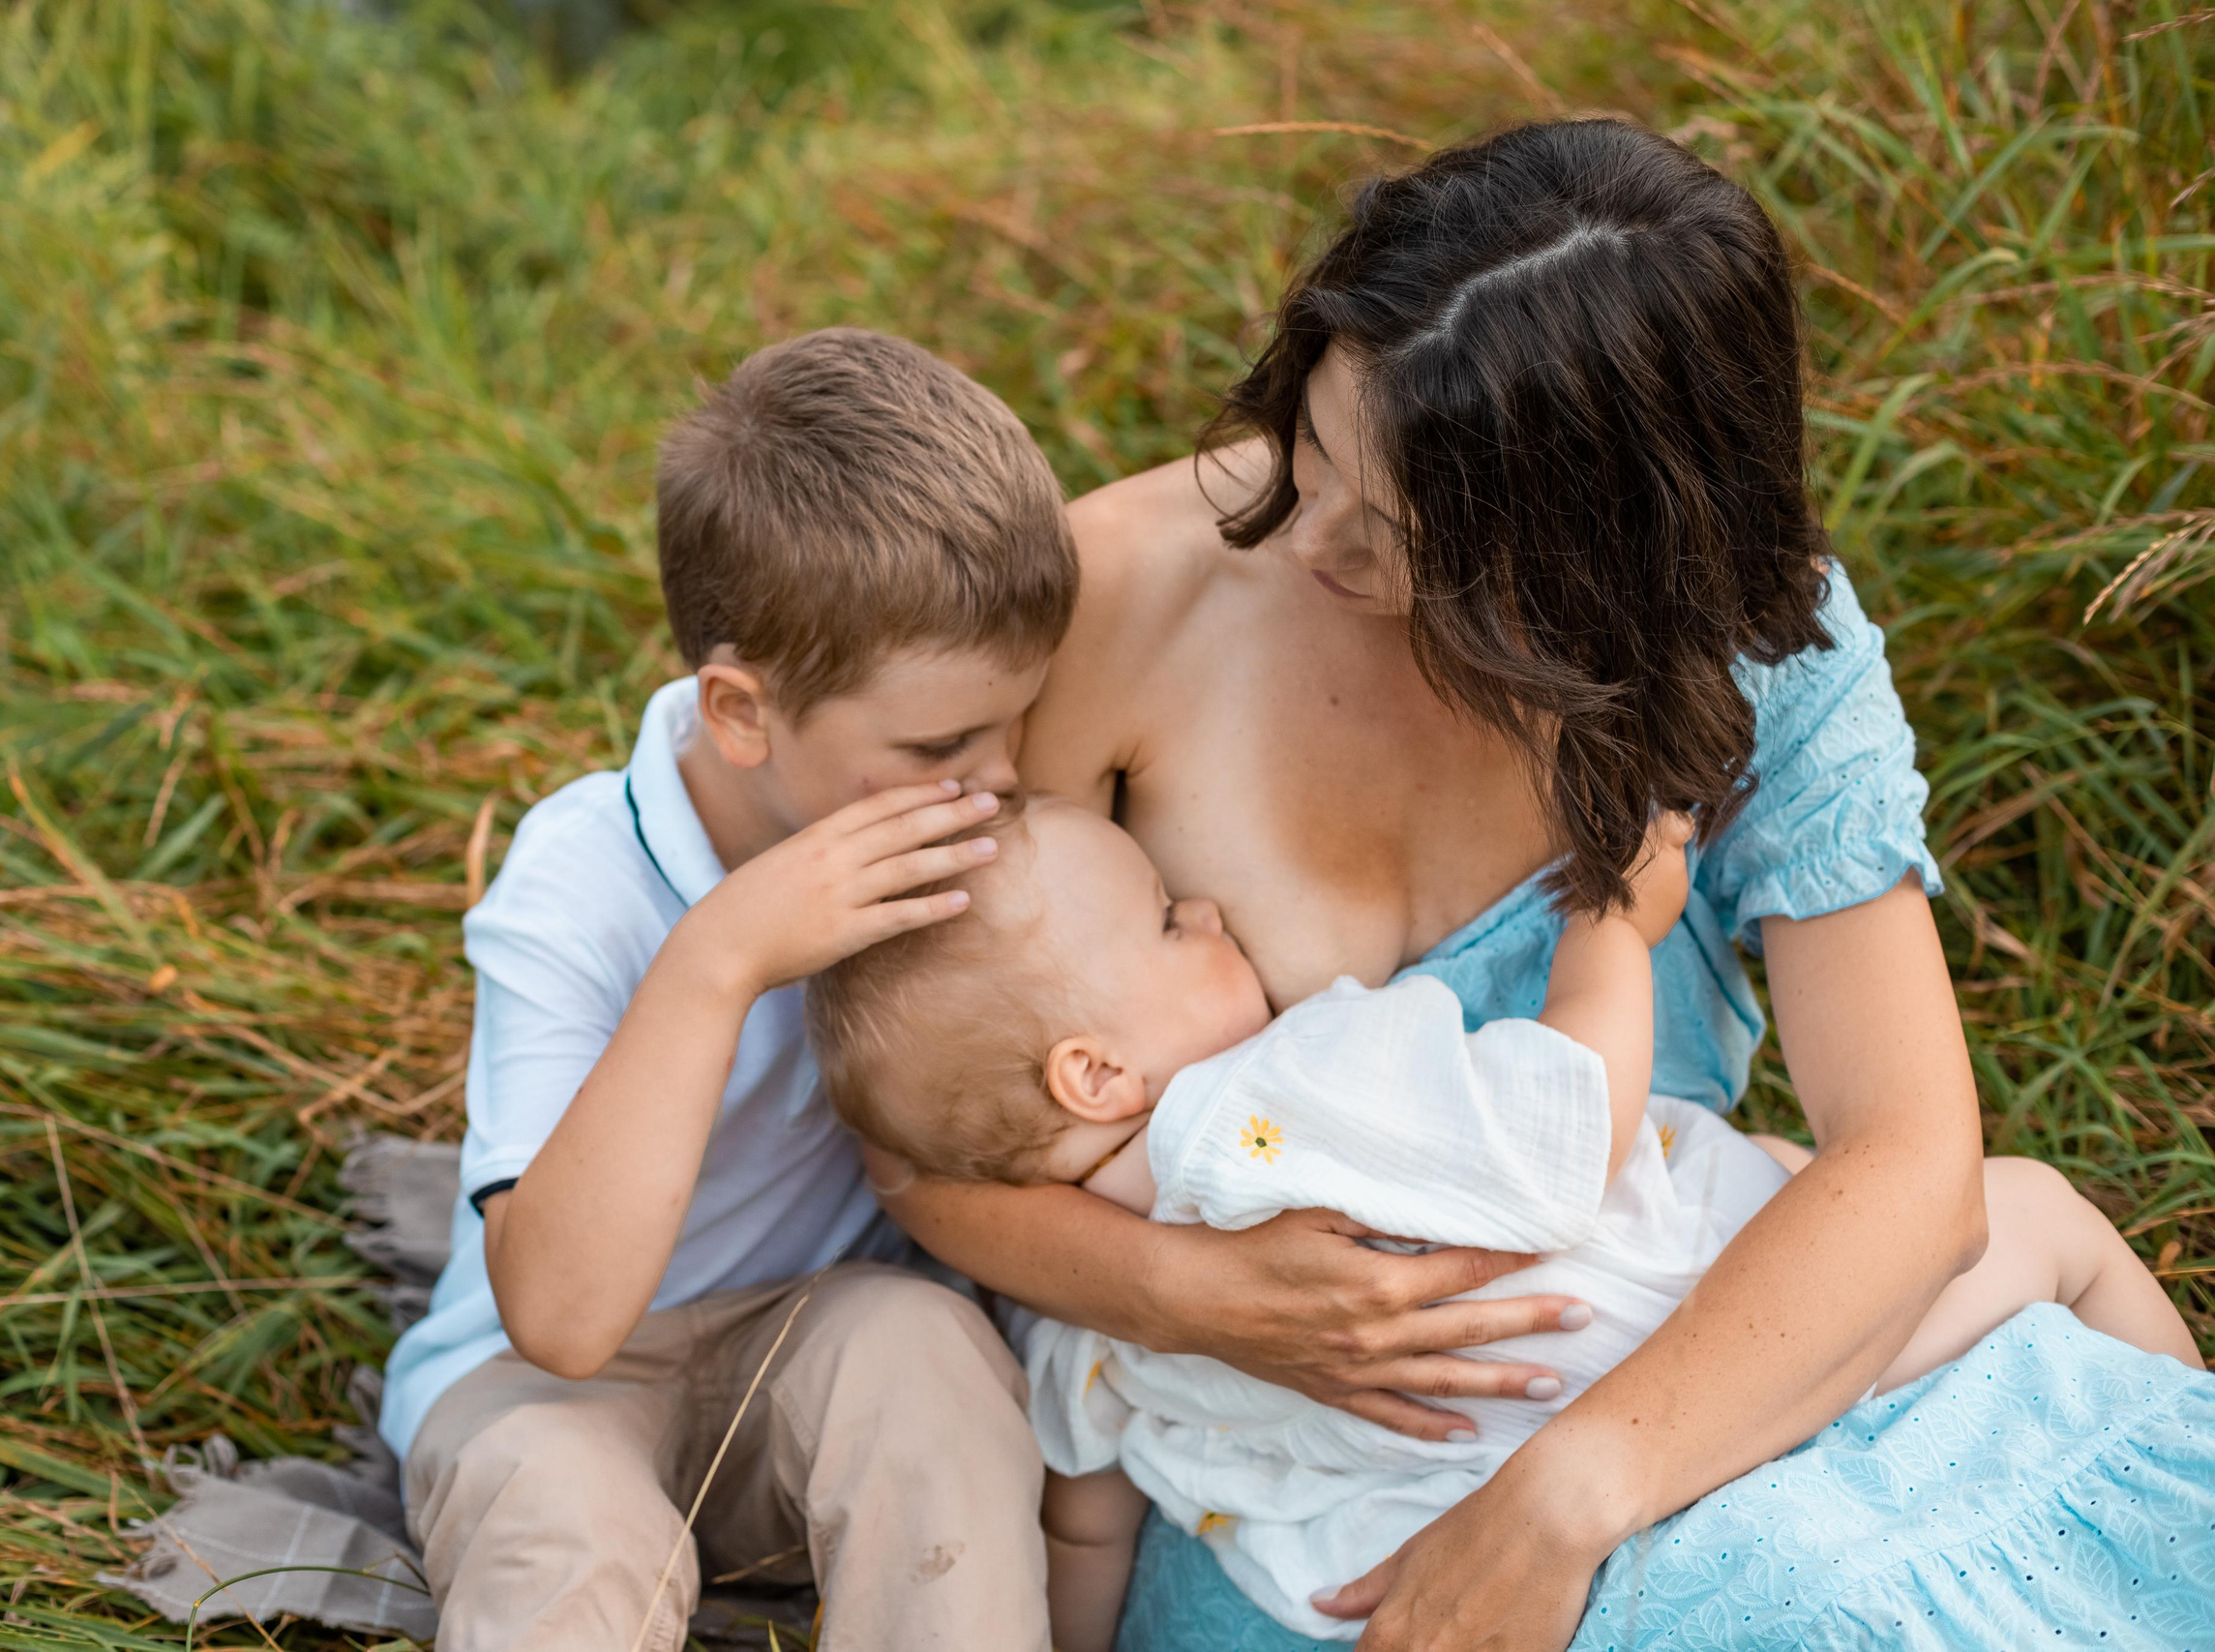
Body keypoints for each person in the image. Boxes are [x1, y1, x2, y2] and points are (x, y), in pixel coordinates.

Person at [864, 119, 2205, 1650]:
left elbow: (1906, 1155)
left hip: (1681, 1350)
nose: (1307, 540)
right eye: (1310, 450)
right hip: (1327, 1496)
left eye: (1402, 533)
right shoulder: (1120, 602)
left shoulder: (1754, 649)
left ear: (1598, 554)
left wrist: (1582, 1484)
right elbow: (923, 1117)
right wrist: (1181, 1296)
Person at [808, 796, 2203, 1650]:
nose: (1211, 908)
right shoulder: (1283, 1093)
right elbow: (1563, 1137)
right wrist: (1615, 925)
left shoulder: (1075, 1326)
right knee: (2034, 1212)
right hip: (1666, 1370)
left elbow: (1090, 1522)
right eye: (1174, 925)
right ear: (1095, 1073)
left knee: (1766, 1159)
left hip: (1397, 1543)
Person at [377, 327, 1076, 1651]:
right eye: (941, 744)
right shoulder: (575, 883)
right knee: (565, 1517)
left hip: (810, 1347)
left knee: (930, 1361)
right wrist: (720, 957)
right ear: (741, 714)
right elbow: (565, 1324)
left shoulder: (963, 843)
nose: (997, 778)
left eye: (1016, 722)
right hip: (544, 1386)